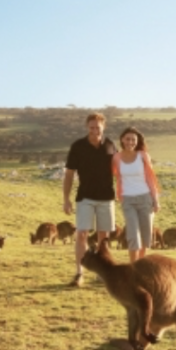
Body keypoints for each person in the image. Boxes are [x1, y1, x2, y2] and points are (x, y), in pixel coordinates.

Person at [63, 112, 117, 286]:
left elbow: (120, 171)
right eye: (91, 127)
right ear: (87, 127)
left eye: (98, 127)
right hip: (84, 197)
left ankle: (102, 274)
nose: (95, 131)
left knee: (104, 238)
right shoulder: (77, 146)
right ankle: (79, 273)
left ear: (104, 127)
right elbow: (69, 174)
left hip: (106, 198)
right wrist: (66, 198)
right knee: (81, 235)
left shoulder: (110, 146)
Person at [112, 126, 161, 262]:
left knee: (146, 235)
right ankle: (133, 267)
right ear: (122, 140)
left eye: (133, 140)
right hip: (127, 200)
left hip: (145, 198)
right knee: (133, 234)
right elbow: (116, 176)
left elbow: (151, 179)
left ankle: (140, 265)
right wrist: (119, 195)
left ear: (137, 141)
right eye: (127, 139)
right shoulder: (116, 157)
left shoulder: (143, 156)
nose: (130, 142)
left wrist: (156, 200)